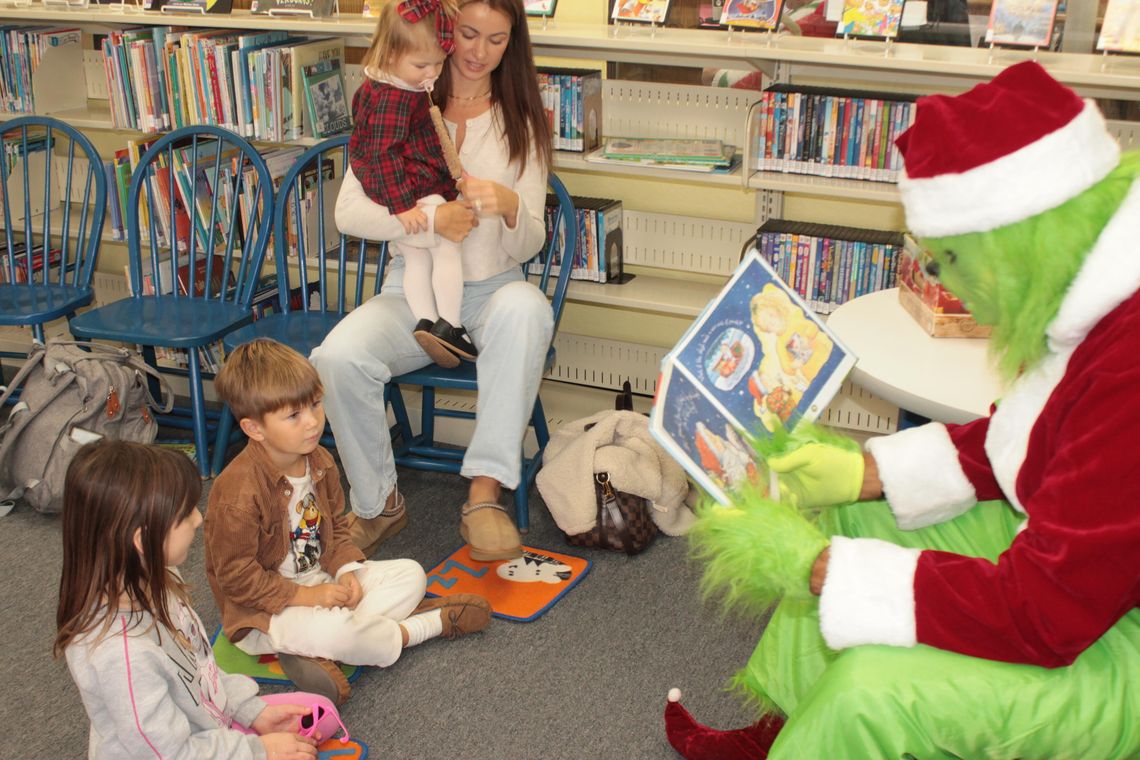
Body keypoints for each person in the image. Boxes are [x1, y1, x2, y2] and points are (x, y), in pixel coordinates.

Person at [668, 61, 1140, 758]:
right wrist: (861, 473)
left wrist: (821, 569)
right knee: (862, 516)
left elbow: (1044, 614)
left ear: (1017, 242)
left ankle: (825, 738)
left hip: (1111, 643)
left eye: (948, 258)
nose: (939, 281)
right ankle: (788, 735)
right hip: (1097, 594)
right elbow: (1033, 440)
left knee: (871, 690)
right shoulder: (1096, 300)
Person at [313, 0, 553, 562]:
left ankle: (484, 495)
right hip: (412, 291)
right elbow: (348, 213)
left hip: (493, 288)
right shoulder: (401, 99)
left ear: (511, 44)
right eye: (468, 34)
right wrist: (425, 223)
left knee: (528, 310)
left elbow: (533, 238)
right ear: (444, 32)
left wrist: (513, 206)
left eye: (496, 40)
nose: (477, 52)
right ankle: (377, 505)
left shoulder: (521, 119)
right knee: (337, 357)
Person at [204, 339, 493, 706]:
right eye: (293, 415)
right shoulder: (238, 492)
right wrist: (306, 597)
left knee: (411, 574)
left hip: (320, 584)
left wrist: (345, 572)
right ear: (254, 428)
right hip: (267, 611)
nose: (312, 421)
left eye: (314, 404)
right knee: (346, 632)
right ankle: (422, 627)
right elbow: (237, 578)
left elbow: (336, 530)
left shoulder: (318, 459)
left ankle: (325, 645)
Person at [54, 440, 325, 760]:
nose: (198, 520)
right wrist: (257, 751)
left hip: (203, 731)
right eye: (184, 514)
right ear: (143, 540)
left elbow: (201, 665)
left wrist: (250, 711)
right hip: (174, 753)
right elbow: (169, 754)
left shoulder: (158, 579)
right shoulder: (123, 656)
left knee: (318, 716)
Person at [350, 0, 477, 369]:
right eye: (422, 65)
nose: (431, 73)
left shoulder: (384, 83)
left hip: (396, 187)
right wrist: (404, 205)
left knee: (417, 256)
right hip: (407, 187)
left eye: (438, 63)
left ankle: (425, 322)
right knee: (448, 249)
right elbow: (384, 154)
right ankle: (451, 325)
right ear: (390, 54)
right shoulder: (396, 98)